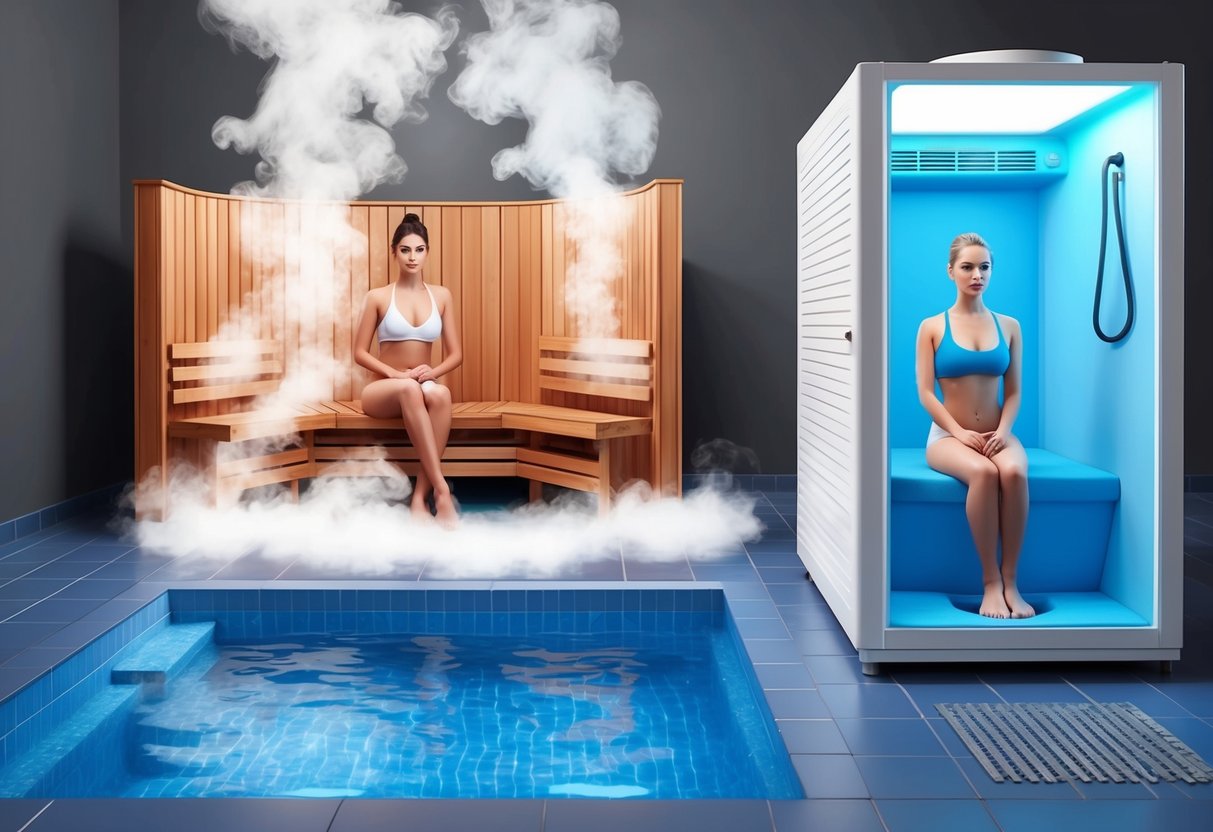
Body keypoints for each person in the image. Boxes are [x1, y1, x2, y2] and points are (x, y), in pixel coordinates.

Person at [915, 233, 1034, 619]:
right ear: (951, 271)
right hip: (949, 436)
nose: (976, 274)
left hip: (998, 433)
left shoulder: (1010, 326)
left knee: (1014, 472)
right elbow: (926, 394)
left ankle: (1012, 580)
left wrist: (1002, 432)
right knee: (983, 475)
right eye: (967, 267)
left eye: (984, 267)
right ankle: (990, 584)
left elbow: (1014, 393)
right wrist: (959, 432)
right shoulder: (932, 327)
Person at [354, 213, 462, 527]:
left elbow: (457, 354)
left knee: (441, 393)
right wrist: (395, 374)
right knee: (408, 388)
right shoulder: (377, 297)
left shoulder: (441, 296)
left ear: (427, 252)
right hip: (383, 391)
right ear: (394, 253)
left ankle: (419, 499)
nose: (412, 257)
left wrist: (434, 370)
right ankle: (442, 490)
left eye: (418, 249)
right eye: (405, 250)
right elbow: (359, 352)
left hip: (421, 386)